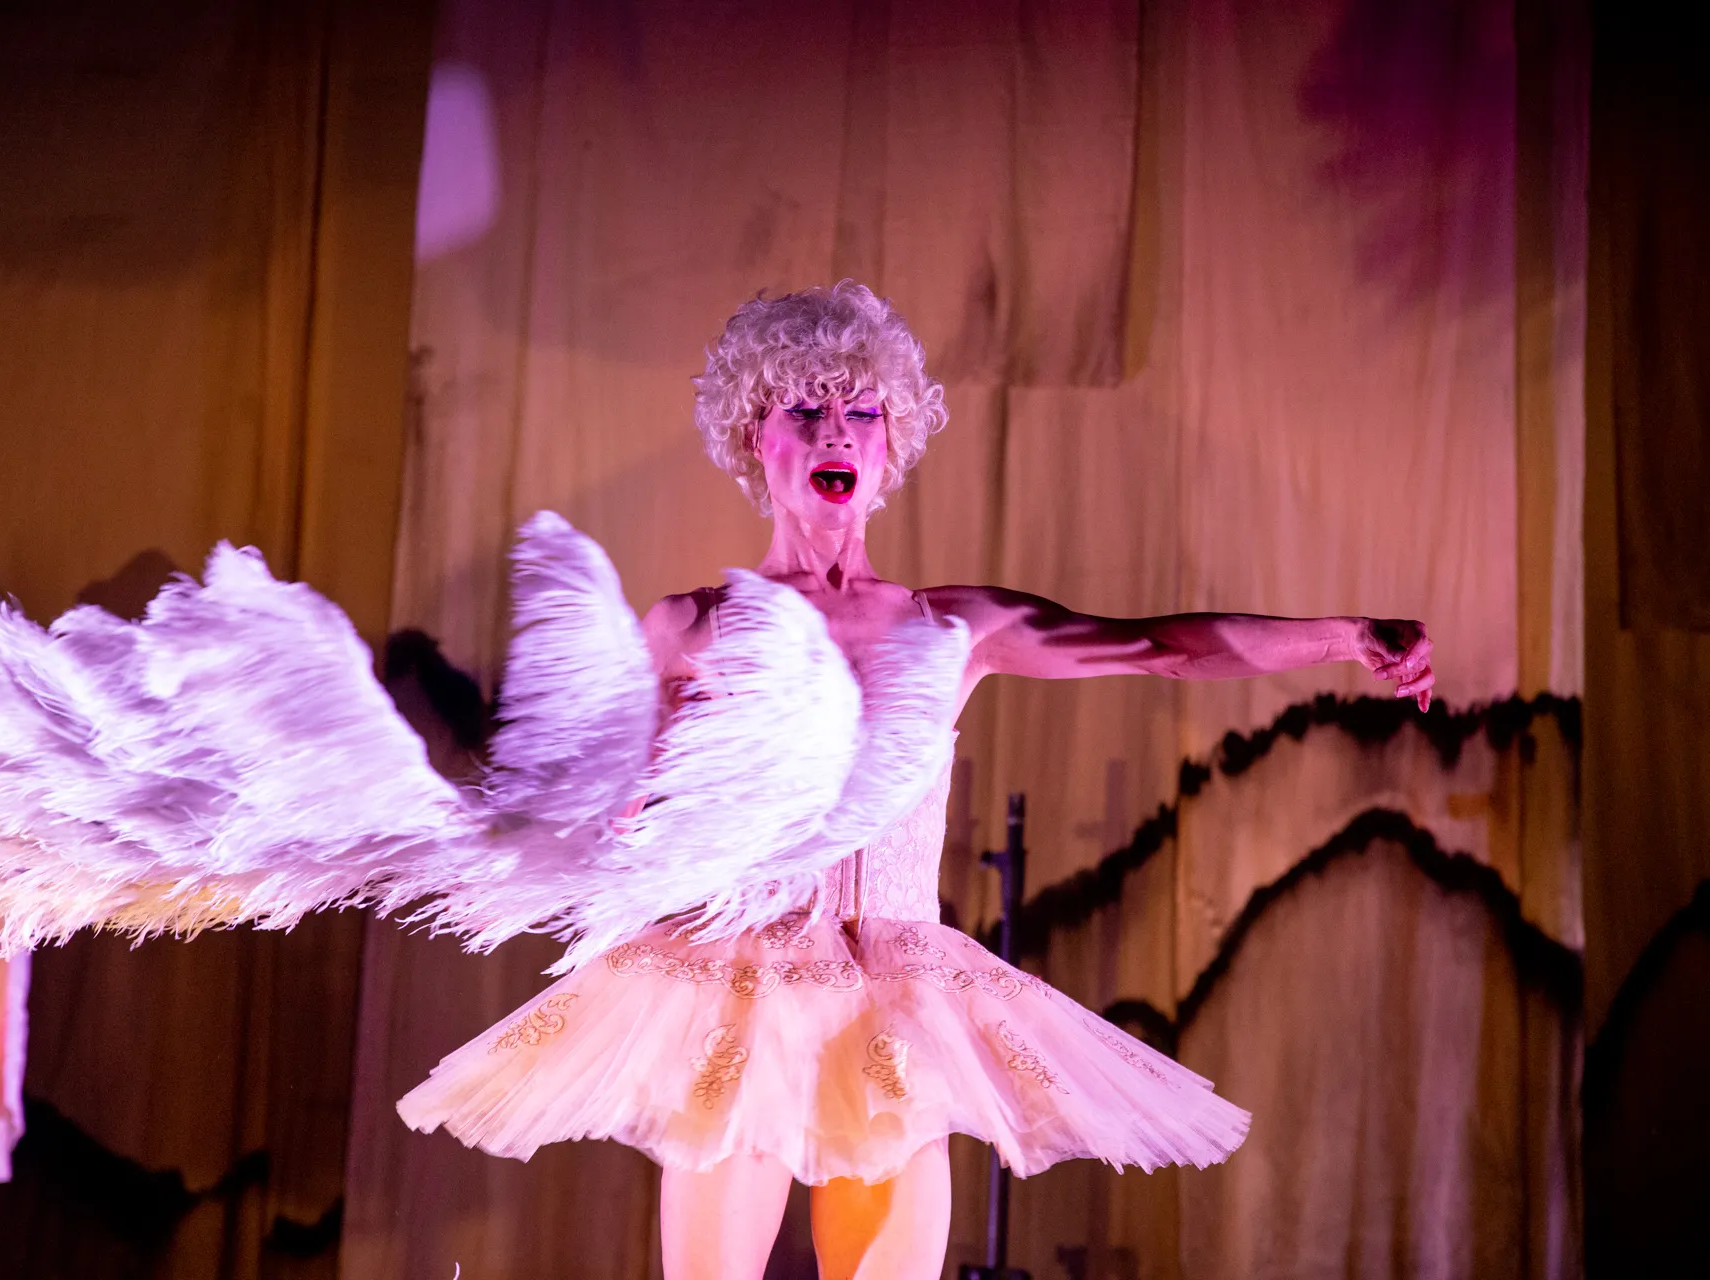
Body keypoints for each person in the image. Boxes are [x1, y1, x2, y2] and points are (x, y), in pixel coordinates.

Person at [395, 281, 1436, 1280]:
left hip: (893, 1007)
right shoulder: (695, 630)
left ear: (892, 446)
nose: (837, 430)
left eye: (862, 411)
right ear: (758, 436)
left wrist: (1343, 636)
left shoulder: (947, 629)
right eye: (806, 406)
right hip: (736, 995)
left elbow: (1158, 645)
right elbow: (590, 792)